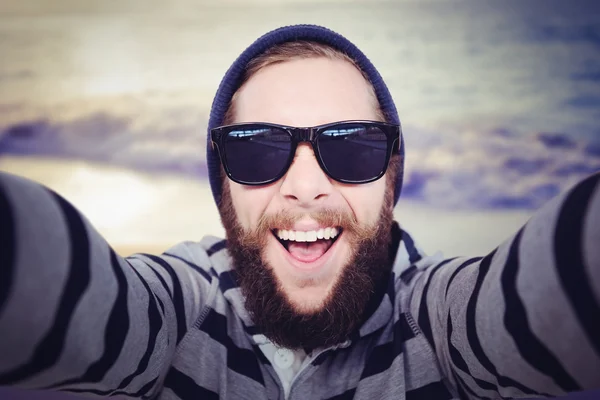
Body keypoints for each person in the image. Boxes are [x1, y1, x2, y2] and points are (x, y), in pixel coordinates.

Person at [0, 24, 598, 400]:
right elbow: (85, 306)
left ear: (391, 173)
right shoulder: (181, 301)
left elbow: (526, 310)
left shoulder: (438, 316)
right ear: (221, 181)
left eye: (352, 145)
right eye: (258, 148)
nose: (305, 186)